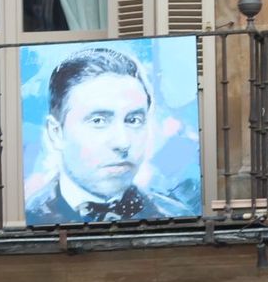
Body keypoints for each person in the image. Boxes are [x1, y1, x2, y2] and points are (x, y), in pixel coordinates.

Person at [25, 46, 192, 224]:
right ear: (56, 133)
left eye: (133, 120)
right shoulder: (28, 216)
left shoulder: (176, 215)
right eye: (98, 121)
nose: (123, 142)